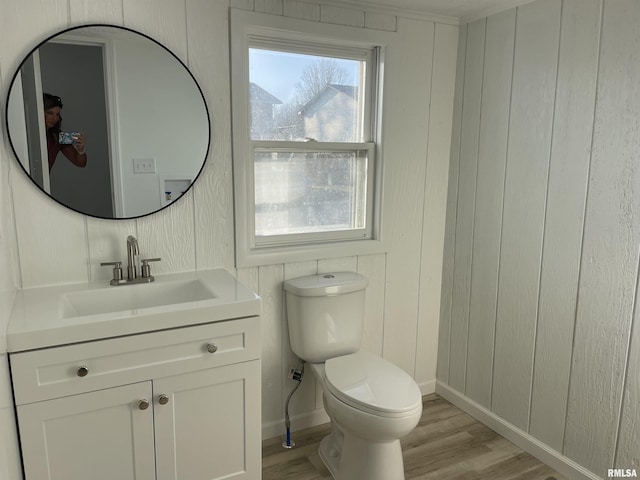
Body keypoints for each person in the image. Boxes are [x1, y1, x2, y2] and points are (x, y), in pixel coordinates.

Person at [43, 93, 87, 170]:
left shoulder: (58, 136)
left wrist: (81, 150)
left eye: (57, 114)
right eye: (50, 113)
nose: (54, 118)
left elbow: (81, 163)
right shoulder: (29, 132)